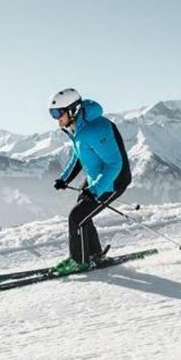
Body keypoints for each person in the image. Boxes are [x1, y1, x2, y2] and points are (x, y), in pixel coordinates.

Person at [48, 88, 132, 274]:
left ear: (73, 110)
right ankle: (92, 254)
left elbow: (114, 163)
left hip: (114, 180)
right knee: (82, 212)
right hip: (98, 177)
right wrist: (64, 178)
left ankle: (80, 261)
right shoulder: (79, 128)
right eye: (52, 113)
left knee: (76, 217)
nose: (55, 118)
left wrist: (95, 189)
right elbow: (79, 157)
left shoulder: (95, 128)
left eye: (57, 113)